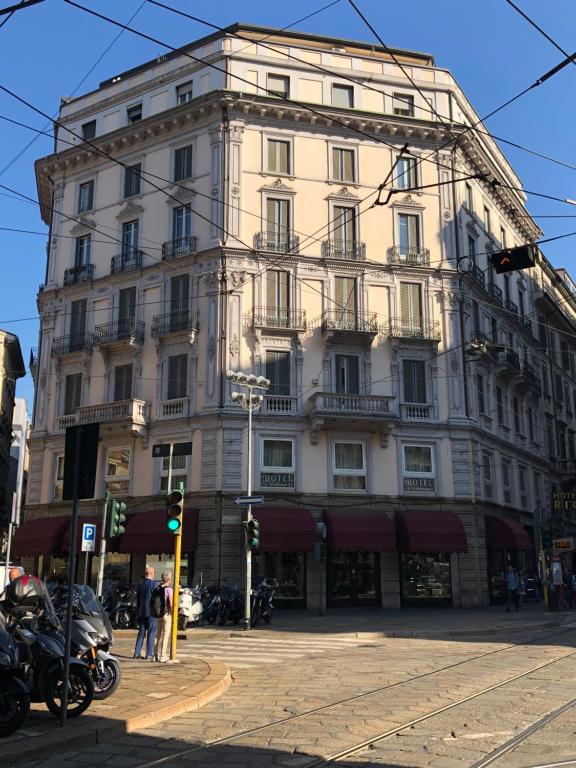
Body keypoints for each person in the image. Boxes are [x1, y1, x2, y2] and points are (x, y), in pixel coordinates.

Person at [133, 565, 157, 660]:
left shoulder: (140, 585)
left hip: (141, 611)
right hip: (151, 612)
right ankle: (149, 653)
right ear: (152, 574)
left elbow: (138, 600)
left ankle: (137, 653)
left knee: (141, 632)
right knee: (151, 633)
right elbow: (156, 600)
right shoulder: (153, 585)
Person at [154, 571, 173, 663]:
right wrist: (172, 612)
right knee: (165, 635)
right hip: (166, 614)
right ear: (169, 578)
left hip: (158, 613)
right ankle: (162, 656)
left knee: (157, 635)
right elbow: (170, 602)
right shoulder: (169, 589)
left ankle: (155, 655)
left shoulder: (158, 587)